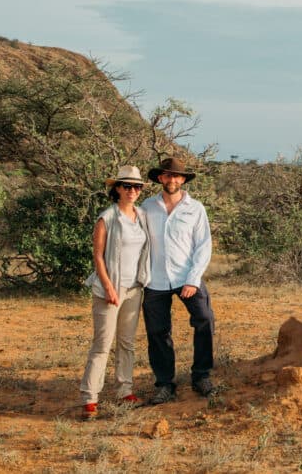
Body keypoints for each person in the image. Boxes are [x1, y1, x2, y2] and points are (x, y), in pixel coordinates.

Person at [141, 157, 216, 404]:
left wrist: (193, 280)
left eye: (176, 176)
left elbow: (203, 246)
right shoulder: (147, 207)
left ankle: (201, 376)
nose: (172, 180)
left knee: (204, 319)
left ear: (183, 180)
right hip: (155, 279)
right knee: (157, 331)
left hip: (187, 276)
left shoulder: (195, 208)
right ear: (160, 178)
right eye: (167, 175)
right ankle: (165, 384)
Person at [79, 165, 151, 420]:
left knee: (127, 342)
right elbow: (97, 255)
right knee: (102, 344)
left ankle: (125, 390)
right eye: (127, 186)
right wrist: (109, 286)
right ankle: (90, 397)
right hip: (110, 288)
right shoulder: (107, 217)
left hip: (134, 288)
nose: (132, 190)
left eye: (137, 186)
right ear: (117, 189)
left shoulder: (141, 216)